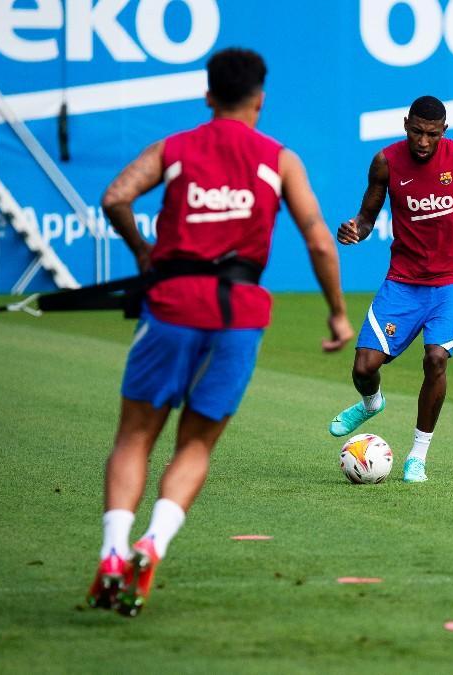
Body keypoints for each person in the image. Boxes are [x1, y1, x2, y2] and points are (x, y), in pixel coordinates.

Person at [87, 47, 354, 617]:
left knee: (135, 437)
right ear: (260, 98)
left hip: (172, 305)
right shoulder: (279, 160)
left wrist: (143, 253)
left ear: (209, 95)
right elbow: (318, 240)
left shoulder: (174, 148)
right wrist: (336, 312)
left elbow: (115, 197)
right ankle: (152, 543)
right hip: (237, 315)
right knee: (196, 445)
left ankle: (113, 551)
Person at [330, 95, 453, 483]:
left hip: (452, 281)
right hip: (404, 281)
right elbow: (368, 217)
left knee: (436, 358)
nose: (423, 142)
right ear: (405, 123)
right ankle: (372, 404)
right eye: (416, 132)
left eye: (432, 134)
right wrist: (355, 229)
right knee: (363, 367)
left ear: (445, 130)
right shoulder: (385, 163)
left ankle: (417, 457)